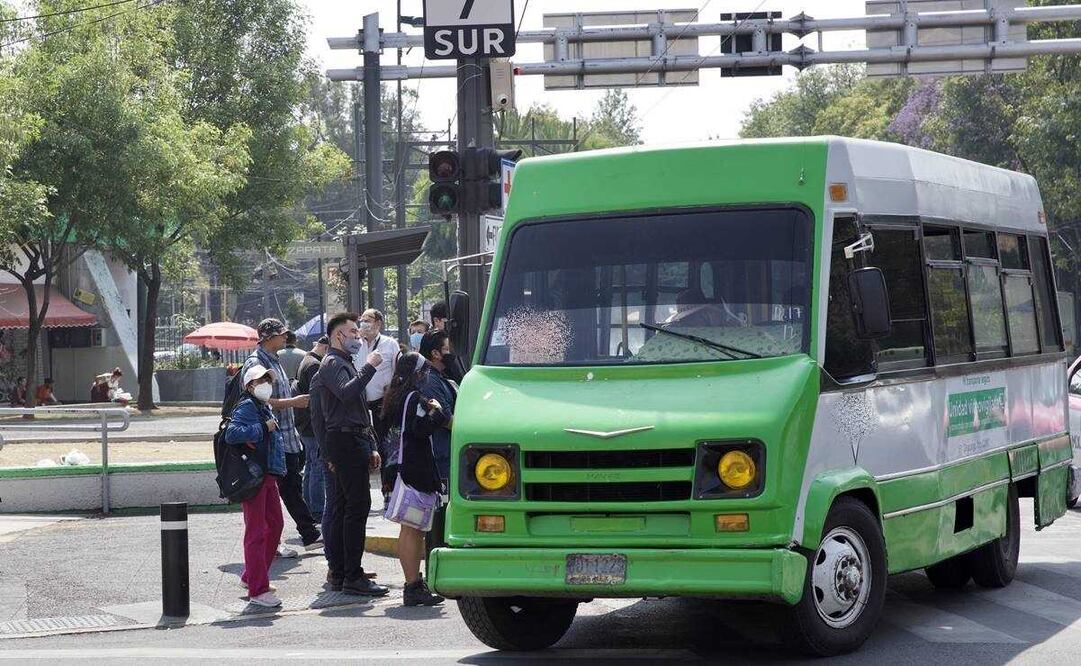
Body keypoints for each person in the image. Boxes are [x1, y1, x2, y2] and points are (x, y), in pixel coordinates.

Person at [316, 312, 389, 597]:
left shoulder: (345, 362)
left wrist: (370, 443)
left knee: (352, 508)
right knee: (354, 508)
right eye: (353, 333)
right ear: (338, 336)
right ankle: (350, 575)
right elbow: (347, 394)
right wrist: (369, 368)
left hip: (354, 439)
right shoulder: (332, 363)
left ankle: (348, 571)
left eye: (358, 333)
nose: (358, 338)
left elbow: (359, 408)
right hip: (343, 441)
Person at [242, 318, 320, 555]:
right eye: (280, 334)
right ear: (268, 338)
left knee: (287, 488)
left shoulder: (274, 360)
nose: (284, 337)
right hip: (272, 440)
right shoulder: (256, 364)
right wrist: (293, 402)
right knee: (286, 489)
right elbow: (258, 401)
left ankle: (295, 536)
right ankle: (307, 533)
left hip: (287, 436)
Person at [381, 352, 447, 607]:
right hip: (413, 469)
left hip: (397, 468)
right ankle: (412, 585)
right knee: (413, 529)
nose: (426, 374)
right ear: (417, 372)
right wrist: (438, 414)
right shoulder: (413, 398)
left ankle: (414, 583)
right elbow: (419, 431)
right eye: (424, 369)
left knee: (409, 529)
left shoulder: (394, 395)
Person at [224, 365, 286, 608]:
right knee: (257, 533)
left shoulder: (262, 405)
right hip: (255, 476)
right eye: (261, 380)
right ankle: (258, 591)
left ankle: (251, 577)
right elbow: (232, 434)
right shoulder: (248, 405)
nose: (266, 384)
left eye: (268, 380)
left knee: (275, 525)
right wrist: (262, 428)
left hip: (267, 474)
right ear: (250, 385)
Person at [418, 330, 458, 552]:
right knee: (439, 516)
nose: (451, 354)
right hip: (440, 457)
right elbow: (444, 419)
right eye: (447, 350)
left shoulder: (441, 378)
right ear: (435, 353)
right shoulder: (430, 380)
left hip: (446, 454)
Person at [295, 335, 329, 522]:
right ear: (324, 347)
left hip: (305, 424)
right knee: (317, 467)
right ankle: (316, 510)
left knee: (310, 466)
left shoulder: (306, 361)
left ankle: (310, 507)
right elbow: (318, 399)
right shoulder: (314, 365)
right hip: (312, 424)